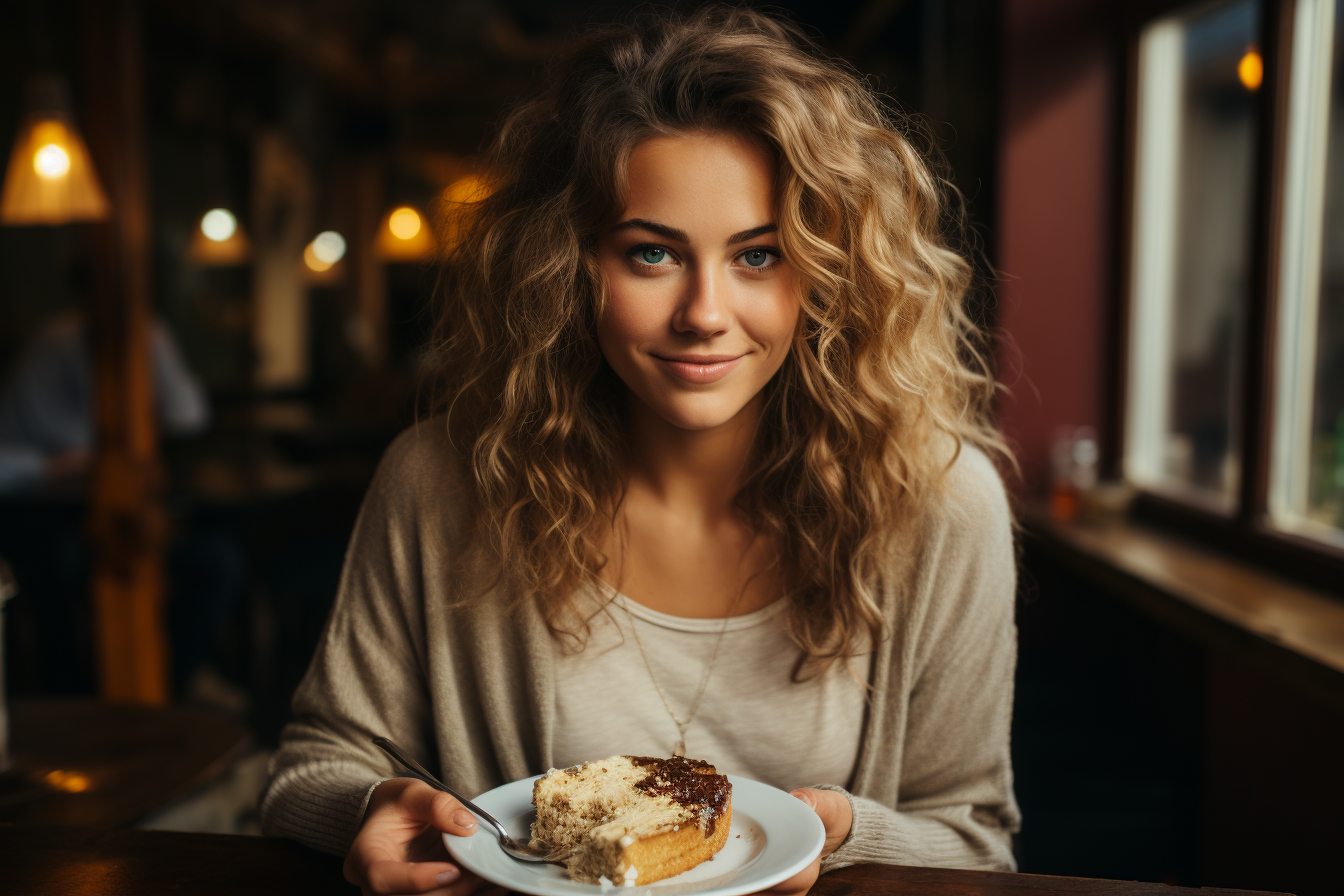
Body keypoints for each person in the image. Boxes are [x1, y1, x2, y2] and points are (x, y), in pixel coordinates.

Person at [260, 8, 1019, 896]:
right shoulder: (439, 482)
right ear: (570, 266)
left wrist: (844, 839)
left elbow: (975, 842)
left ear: (829, 271)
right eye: (653, 253)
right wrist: (370, 809)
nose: (704, 314)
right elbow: (313, 768)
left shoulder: (939, 501)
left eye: (759, 256)